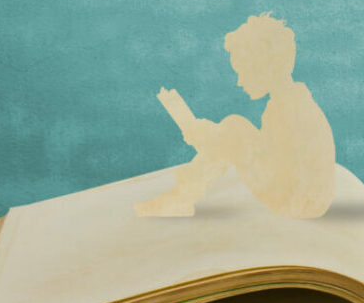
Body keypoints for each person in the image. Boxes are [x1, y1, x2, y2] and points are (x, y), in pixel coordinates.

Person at [135, 13, 336, 219]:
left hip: (298, 203)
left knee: (234, 128)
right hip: (306, 200)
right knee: (233, 129)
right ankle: (181, 196)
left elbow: (268, 159)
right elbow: (269, 154)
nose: (240, 82)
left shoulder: (290, 108)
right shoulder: (291, 101)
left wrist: (214, 137)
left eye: (243, 72)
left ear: (266, 67)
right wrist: (214, 138)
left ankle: (181, 197)